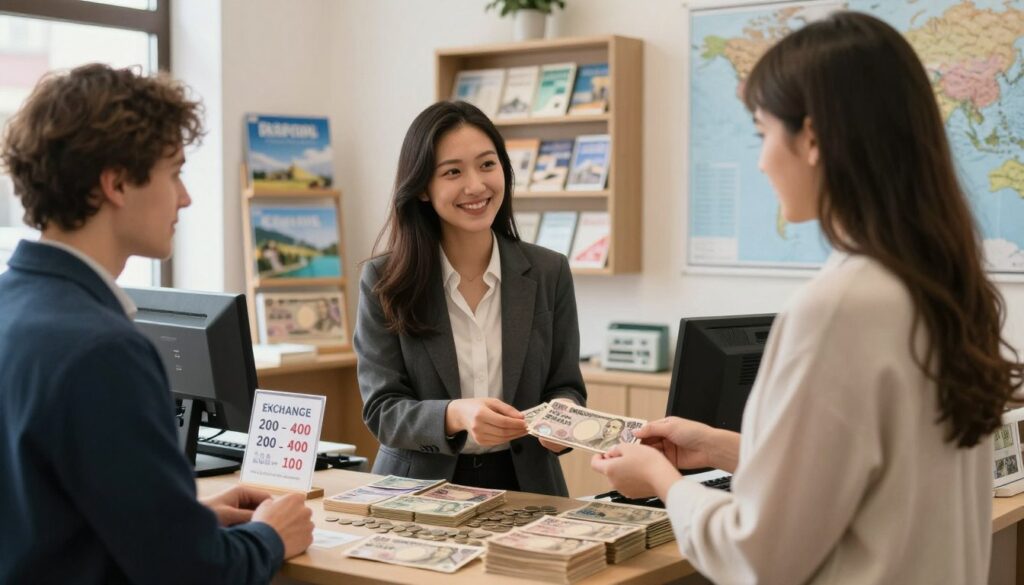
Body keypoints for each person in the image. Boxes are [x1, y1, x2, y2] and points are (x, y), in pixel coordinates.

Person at [591, 12, 1022, 585]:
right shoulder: (941, 290)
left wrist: (662, 482)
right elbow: (874, 481)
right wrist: (725, 449)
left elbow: (758, 554)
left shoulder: (837, 309)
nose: (763, 159)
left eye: (763, 132)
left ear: (812, 138)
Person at [0, 64, 314, 584]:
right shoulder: (103, 350)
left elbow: (42, 513)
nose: (185, 197)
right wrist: (270, 536)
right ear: (117, 182)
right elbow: (191, 574)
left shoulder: (14, 306)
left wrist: (183, 520)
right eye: (174, 172)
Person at [355, 100, 586, 496]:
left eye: (487, 165)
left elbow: (566, 386)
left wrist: (562, 422)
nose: (476, 186)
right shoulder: (383, 280)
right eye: (452, 172)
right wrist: (454, 414)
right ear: (423, 188)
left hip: (528, 487)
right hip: (417, 490)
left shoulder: (550, 272)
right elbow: (383, 411)